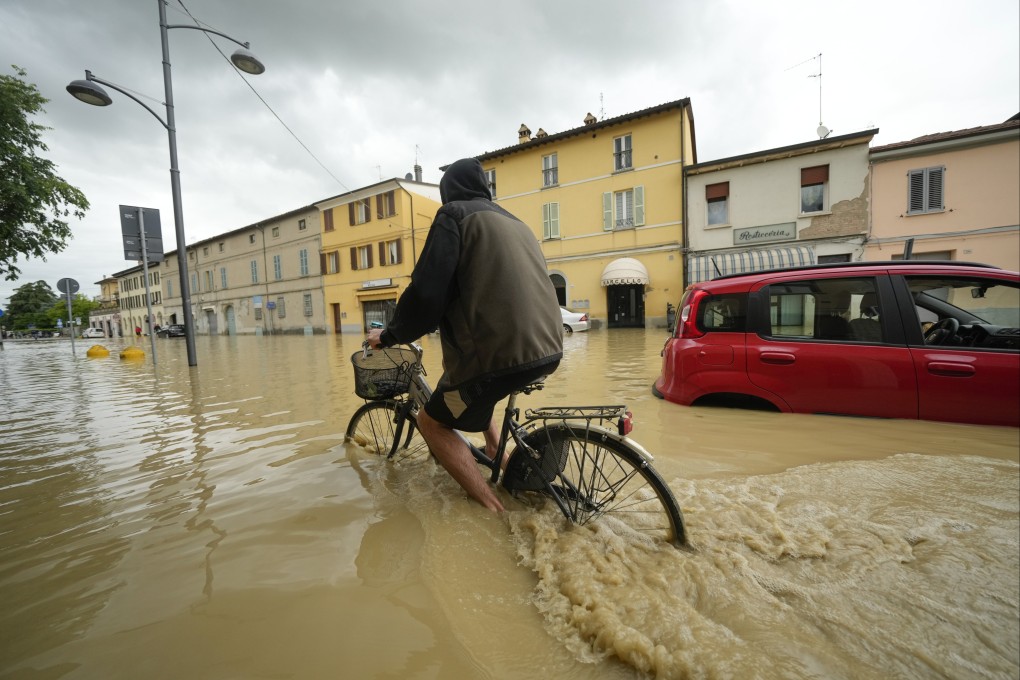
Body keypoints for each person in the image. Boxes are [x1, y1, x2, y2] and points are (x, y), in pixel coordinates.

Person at [367, 158, 563, 514]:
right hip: (548, 346)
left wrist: (390, 335)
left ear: (448, 191)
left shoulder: (453, 215)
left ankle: (493, 510)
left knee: (431, 421)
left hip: (499, 355)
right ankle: (496, 451)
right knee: (471, 384)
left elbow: (427, 292)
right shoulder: (516, 223)